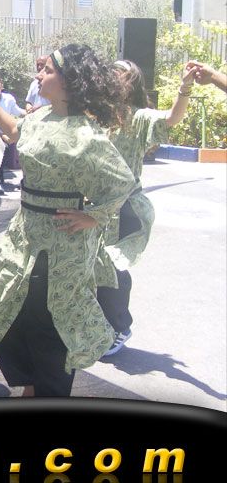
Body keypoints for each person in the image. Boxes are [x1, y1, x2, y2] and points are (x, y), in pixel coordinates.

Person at [0, 44, 136, 397]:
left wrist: (92, 216)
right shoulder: (40, 117)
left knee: (50, 323)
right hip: (25, 235)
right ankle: (31, 388)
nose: (39, 75)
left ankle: (47, 393)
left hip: (61, 246)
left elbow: (122, 182)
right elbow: (14, 129)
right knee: (14, 313)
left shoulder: (86, 134)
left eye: (47, 69)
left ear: (68, 80)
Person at [97, 59, 195, 356]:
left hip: (126, 207)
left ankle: (120, 326)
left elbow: (172, 119)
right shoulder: (98, 114)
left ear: (131, 81)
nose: (111, 74)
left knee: (113, 266)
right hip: (96, 206)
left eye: (119, 71)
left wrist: (185, 87)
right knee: (93, 266)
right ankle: (100, 326)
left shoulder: (138, 117)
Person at [0, 70, 26, 195]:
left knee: (5, 152)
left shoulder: (9, 99)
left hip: (4, 134)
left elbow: (18, 111)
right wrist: (1, 134)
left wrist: (30, 113)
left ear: (2, 86)